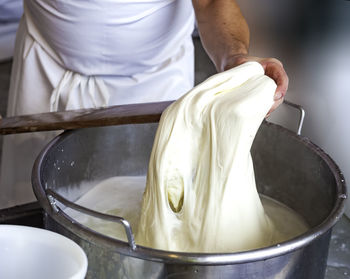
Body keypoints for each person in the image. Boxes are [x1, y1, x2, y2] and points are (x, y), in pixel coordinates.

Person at [0, 0, 288, 209]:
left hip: (155, 81)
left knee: (153, 207)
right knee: (34, 206)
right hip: (46, 70)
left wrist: (234, 59)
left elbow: (211, 2)